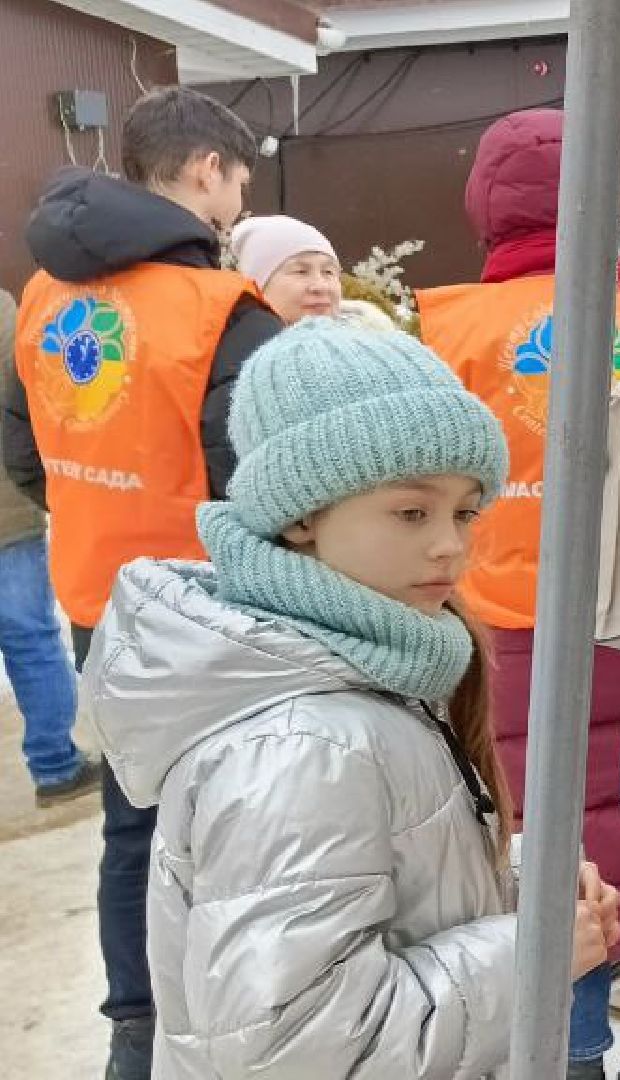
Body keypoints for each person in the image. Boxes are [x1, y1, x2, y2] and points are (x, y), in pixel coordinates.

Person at [81, 319, 620, 1078]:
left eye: (465, 511)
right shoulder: (302, 746)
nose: (451, 546)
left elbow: (379, 885)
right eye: (412, 512)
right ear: (302, 515)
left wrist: (519, 883)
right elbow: (295, 1049)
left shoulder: (363, 671)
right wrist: (533, 950)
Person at [416, 107, 620, 1080]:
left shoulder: (443, 331)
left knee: (546, 846)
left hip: (502, 637)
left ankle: (573, 1047)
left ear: (487, 209)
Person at [4, 84, 283, 1080]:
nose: (238, 203)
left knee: (134, 825)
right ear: (206, 167)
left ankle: (137, 1031)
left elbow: (26, 450)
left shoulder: (44, 295)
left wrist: (95, 508)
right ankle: (244, 1018)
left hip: (99, 599)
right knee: (249, 823)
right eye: (239, 179)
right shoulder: (219, 310)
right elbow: (268, 484)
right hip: (213, 608)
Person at [0, 290, 97, 805]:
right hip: (7, 514)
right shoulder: (4, 314)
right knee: (31, 640)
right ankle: (55, 768)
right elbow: (29, 404)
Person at [227, 215, 342, 325]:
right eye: (301, 271)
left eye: (328, 272)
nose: (321, 286)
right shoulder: (239, 343)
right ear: (257, 286)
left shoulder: (355, 338)